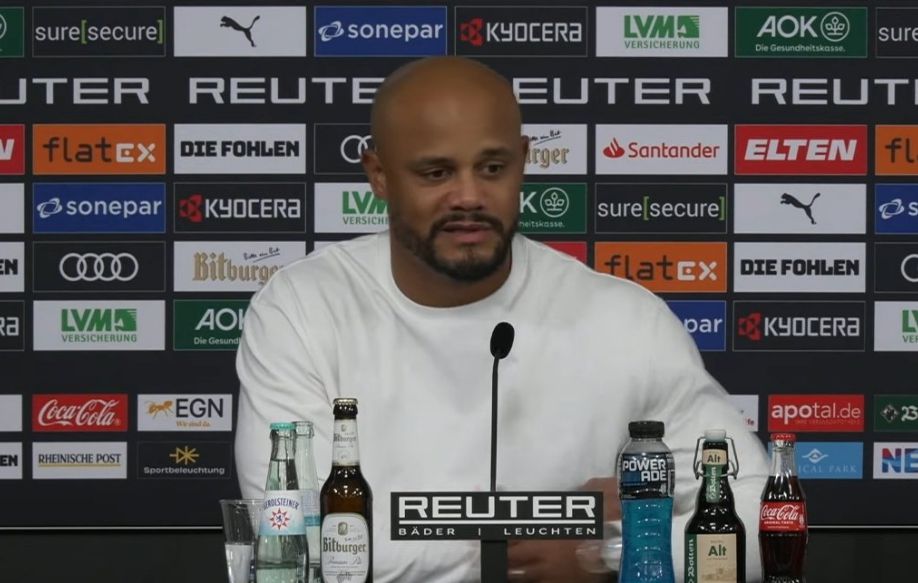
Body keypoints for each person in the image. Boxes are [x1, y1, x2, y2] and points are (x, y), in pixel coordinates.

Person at [235, 56, 769, 583]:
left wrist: (606, 552)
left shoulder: (626, 320)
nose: (469, 197)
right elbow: (296, 544)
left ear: (524, 161)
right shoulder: (302, 309)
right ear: (378, 175)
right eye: (437, 173)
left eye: (492, 168)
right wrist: (560, 520)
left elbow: (760, 516)